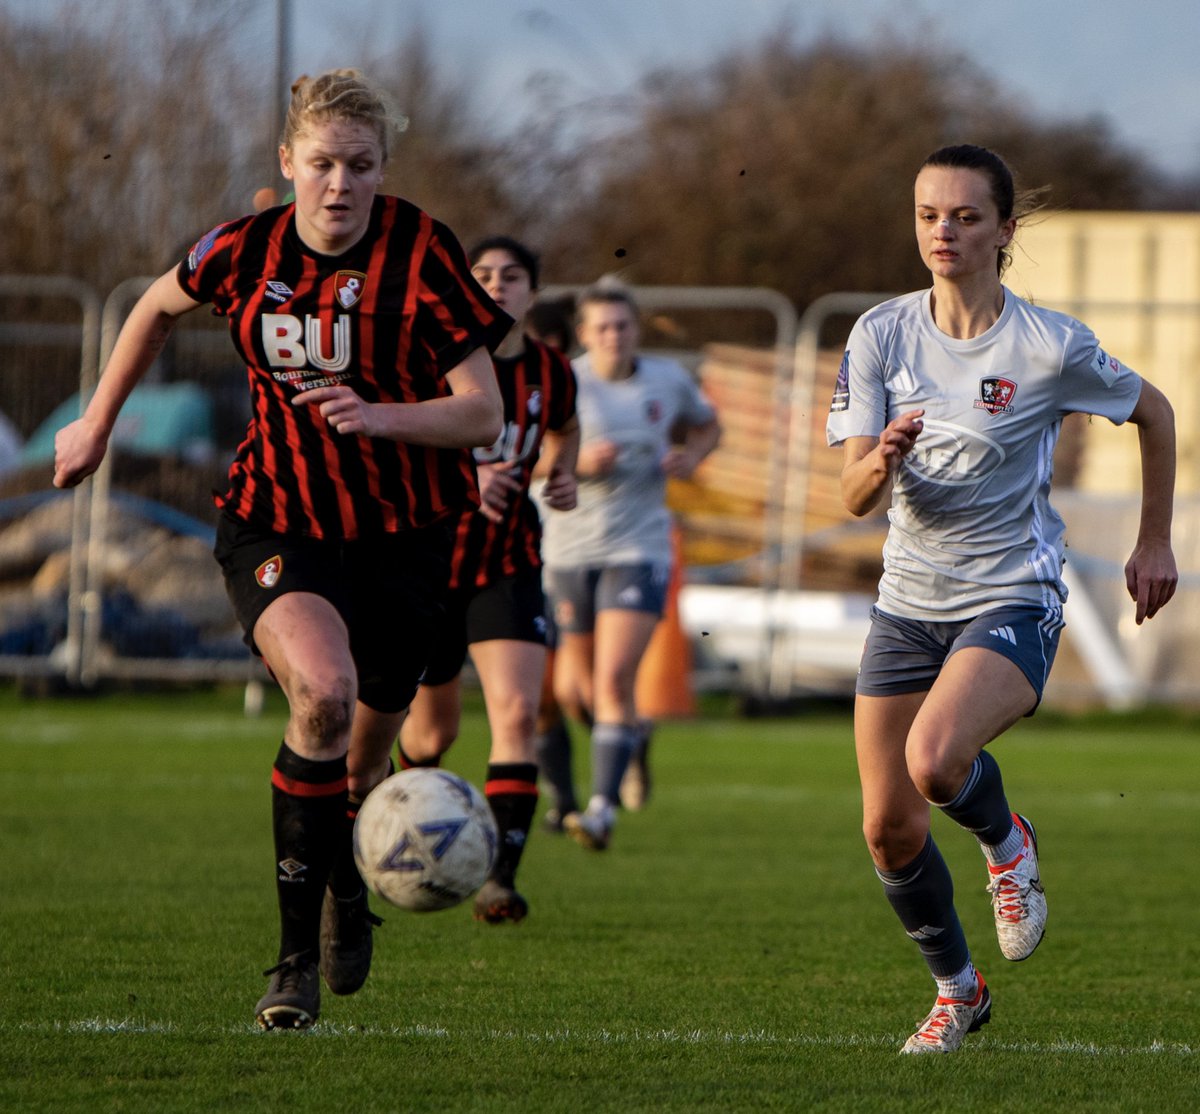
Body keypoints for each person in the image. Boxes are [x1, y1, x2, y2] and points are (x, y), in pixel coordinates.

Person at [53, 69, 511, 1031]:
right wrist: (96, 420)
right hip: (277, 519)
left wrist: (379, 415)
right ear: (286, 163)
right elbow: (152, 308)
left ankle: (351, 881)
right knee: (324, 696)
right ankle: (292, 964)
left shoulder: (424, 253)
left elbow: (483, 414)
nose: (340, 185)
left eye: (360, 166)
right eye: (322, 164)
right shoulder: (242, 249)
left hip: (407, 535)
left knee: (361, 763)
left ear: (383, 169)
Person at [826, 144, 1177, 1054]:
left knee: (936, 761)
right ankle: (959, 991)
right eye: (929, 216)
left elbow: (1157, 414)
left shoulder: (1050, 345)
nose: (943, 231)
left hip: (1011, 594)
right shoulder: (881, 335)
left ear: (1004, 232)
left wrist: (1152, 540)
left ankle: (1007, 842)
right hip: (907, 601)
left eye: (966, 216)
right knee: (886, 825)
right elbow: (850, 497)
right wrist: (882, 460)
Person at [394, 235, 579, 923]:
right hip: (431, 561)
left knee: (517, 715)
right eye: (483, 275)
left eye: (512, 276)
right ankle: (402, 833)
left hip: (508, 563)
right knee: (429, 735)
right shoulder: (430, 362)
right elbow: (395, 443)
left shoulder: (553, 370)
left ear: (532, 291)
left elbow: (565, 425)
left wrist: (560, 470)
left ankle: (500, 878)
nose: (497, 286)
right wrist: (468, 476)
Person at [541, 282, 721, 850]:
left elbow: (707, 424)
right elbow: (531, 459)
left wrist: (690, 455)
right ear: (584, 335)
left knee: (614, 679)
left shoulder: (666, 379)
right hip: (569, 551)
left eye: (623, 325)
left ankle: (600, 810)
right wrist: (575, 463)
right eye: (602, 328)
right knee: (575, 692)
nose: (614, 336)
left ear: (636, 328)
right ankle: (632, 740)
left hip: (639, 549)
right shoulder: (564, 381)